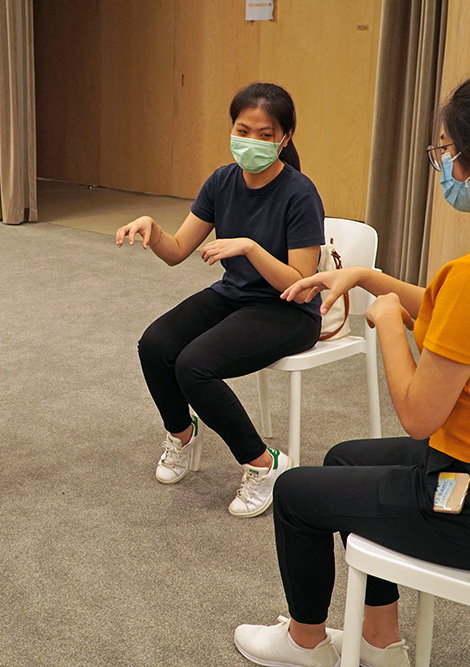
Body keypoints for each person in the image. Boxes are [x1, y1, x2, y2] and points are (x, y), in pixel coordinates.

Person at [234, 67, 470, 667]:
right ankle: (381, 643)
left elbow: (417, 413)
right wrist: (364, 276)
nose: (443, 165)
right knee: (346, 458)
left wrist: (383, 324)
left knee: (297, 492)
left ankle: (306, 644)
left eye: (446, 151)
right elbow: (455, 313)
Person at [115, 83, 325, 517]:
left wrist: (249, 247)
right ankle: (182, 434)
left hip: (287, 310)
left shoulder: (300, 193)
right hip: (235, 296)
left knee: (196, 366)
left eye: (265, 135)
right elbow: (176, 252)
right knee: (155, 345)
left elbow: (302, 282)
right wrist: (153, 229)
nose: (251, 141)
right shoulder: (222, 180)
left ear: (284, 138)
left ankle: (264, 464)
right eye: (242, 129)